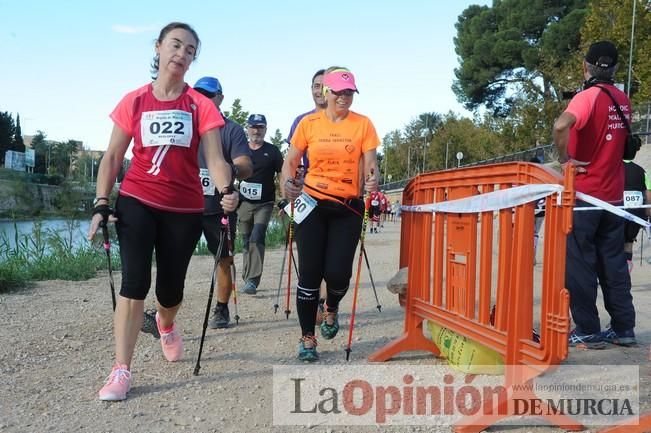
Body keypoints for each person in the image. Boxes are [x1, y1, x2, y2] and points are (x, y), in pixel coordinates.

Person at [87, 22, 238, 401]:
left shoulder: (200, 105)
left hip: (184, 207)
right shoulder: (135, 100)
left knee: (170, 291)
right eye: (175, 45)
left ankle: (165, 324)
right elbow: (112, 157)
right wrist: (101, 202)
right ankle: (121, 369)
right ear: (158, 48)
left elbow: (216, 159)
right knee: (133, 284)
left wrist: (227, 190)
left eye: (190, 50)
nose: (182, 54)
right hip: (137, 199)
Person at [281, 66, 379, 361]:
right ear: (327, 91)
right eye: (338, 91)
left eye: (349, 92)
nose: (344, 97)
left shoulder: (363, 124)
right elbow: (291, 161)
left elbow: (370, 164)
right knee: (309, 273)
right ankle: (307, 338)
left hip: (347, 206)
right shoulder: (308, 123)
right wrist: (287, 183)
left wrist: (373, 178)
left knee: (338, 274)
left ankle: (332, 306)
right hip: (311, 203)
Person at [553, 40, 636, 349]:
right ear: (614, 68)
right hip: (613, 198)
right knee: (614, 265)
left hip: (585, 197)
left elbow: (562, 125)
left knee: (579, 267)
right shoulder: (623, 99)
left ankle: (588, 329)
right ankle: (624, 328)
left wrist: (565, 160)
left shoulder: (587, 97)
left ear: (585, 66)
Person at [194, 76, 253, 328]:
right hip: (185, 204)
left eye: (209, 95)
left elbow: (246, 165)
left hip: (220, 205)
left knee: (224, 259)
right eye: (199, 95)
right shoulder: (186, 126)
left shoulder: (231, 130)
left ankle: (221, 308)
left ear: (220, 98)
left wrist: (229, 171)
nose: (204, 100)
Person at [238, 114, 284, 294]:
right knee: (246, 240)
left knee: (257, 236)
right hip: (243, 203)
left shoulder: (272, 151)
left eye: (260, 127)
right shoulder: (240, 150)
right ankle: (247, 276)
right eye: (253, 127)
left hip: (264, 203)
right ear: (247, 129)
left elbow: (282, 175)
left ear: (265, 129)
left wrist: (283, 199)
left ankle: (252, 281)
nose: (256, 130)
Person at [288, 69, 327, 170]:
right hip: (310, 183)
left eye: (325, 86)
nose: (320, 91)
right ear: (311, 89)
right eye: (317, 86)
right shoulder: (301, 121)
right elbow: (292, 160)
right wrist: (295, 178)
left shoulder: (348, 121)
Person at [623, 160, 651, 272]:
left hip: (617, 210)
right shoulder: (641, 170)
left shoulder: (615, 167)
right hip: (636, 212)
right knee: (629, 242)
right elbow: (648, 191)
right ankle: (627, 268)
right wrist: (648, 210)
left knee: (614, 242)